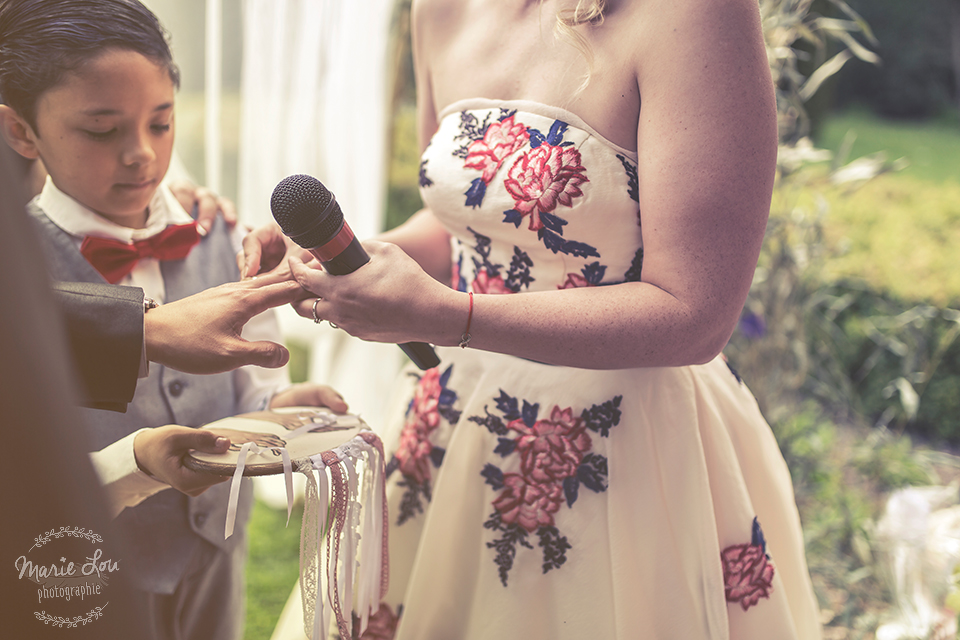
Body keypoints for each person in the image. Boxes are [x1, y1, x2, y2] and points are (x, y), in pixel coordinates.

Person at [244, 0, 823, 638]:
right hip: (451, 429)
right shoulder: (438, 10)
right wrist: (350, 263)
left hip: (622, 455)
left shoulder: (695, 13)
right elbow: (463, 222)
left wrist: (448, 313)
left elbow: (695, 313)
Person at [0, 2, 345, 639]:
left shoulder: (219, 236)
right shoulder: (16, 275)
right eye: (101, 131)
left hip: (213, 554)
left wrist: (283, 404)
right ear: (22, 132)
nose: (140, 155)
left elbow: (253, 381)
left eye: (160, 123)